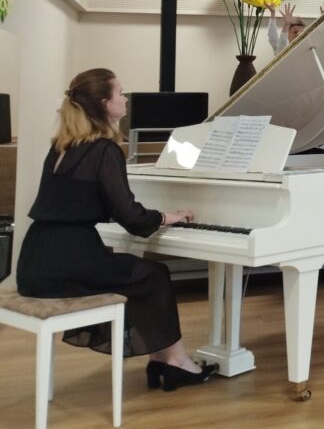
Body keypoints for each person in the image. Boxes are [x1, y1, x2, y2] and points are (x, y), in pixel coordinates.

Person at [16, 69, 218, 391]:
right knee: (154, 275)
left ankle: (160, 358)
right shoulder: (103, 150)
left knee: (139, 274)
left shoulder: (61, 147)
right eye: (120, 93)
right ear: (103, 103)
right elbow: (131, 216)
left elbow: (82, 203)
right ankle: (176, 361)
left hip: (35, 261)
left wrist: (145, 216)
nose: (125, 99)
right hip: (71, 258)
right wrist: (168, 216)